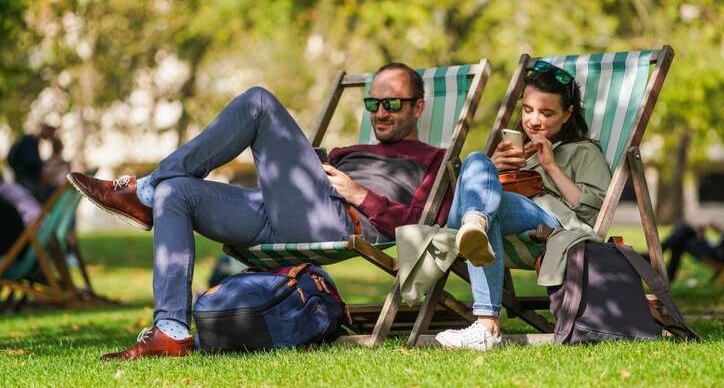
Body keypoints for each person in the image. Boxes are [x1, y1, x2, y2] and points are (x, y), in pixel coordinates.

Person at [66, 62, 452, 360]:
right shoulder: (348, 152)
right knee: (176, 192)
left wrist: (360, 194)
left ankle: (142, 190)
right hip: (285, 210)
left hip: (336, 219)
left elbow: (419, 222)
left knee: (259, 102)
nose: (380, 112)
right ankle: (171, 330)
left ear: (418, 108)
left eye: (392, 104)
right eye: (373, 103)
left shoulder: (436, 161)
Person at [435, 61, 611, 350]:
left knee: (482, 201)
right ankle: (476, 223)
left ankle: (486, 326)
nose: (534, 120)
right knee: (478, 159)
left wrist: (551, 167)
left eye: (547, 112)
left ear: (568, 114)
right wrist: (494, 168)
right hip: (495, 218)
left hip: (551, 223)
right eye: (528, 110)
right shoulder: (518, 151)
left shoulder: (585, 151)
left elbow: (591, 212)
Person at [658, 189, 724, 281]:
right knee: (683, 233)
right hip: (719, 252)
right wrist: (723, 231)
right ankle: (662, 262)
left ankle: (657, 254)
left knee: (684, 231)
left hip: (719, 255)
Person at [6, 124, 56, 202]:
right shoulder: (29, 140)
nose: (51, 137)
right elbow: (30, 161)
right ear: (45, 130)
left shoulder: (33, 142)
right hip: (25, 180)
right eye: (51, 133)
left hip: (26, 179)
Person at [0, 173, 42, 255]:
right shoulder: (8, 188)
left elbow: (32, 213)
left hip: (24, 245)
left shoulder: (5, 190)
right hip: (25, 240)